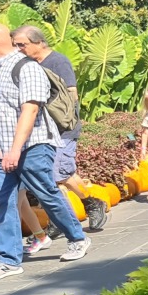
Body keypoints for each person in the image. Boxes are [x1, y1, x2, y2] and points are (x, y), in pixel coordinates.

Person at [0, 25, 90, 281]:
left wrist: (16, 150)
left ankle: (77, 238)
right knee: (4, 202)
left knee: (46, 193)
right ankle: (9, 260)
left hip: (32, 146)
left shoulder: (27, 68)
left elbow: (31, 110)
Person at [11, 24, 106, 243]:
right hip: (41, 131)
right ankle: (63, 218)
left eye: (22, 45)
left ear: (39, 42)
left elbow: (71, 93)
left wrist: (56, 113)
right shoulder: (26, 65)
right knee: (53, 176)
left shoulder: (57, 61)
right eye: (15, 45)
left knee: (59, 174)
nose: (18, 49)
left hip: (62, 128)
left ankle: (90, 202)